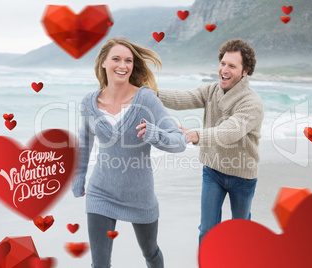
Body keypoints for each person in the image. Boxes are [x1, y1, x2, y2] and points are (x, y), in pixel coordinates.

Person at [72, 37, 187, 268]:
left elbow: (179, 142)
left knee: (150, 252)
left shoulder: (146, 99)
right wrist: (79, 177)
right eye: (116, 59)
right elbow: (84, 142)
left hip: (140, 195)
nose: (122, 66)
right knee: (100, 264)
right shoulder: (89, 103)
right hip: (101, 192)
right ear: (104, 63)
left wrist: (155, 135)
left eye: (128, 61)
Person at [157, 38, 264, 244]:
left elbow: (230, 131)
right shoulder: (211, 91)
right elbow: (184, 97)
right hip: (213, 171)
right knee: (207, 230)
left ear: (245, 71)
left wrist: (197, 135)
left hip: (243, 175)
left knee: (240, 232)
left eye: (232, 66)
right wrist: (152, 93)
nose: (224, 69)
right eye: (223, 63)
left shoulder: (252, 103)